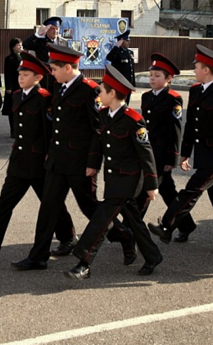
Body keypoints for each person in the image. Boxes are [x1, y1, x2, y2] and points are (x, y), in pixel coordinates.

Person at [12, 44, 135, 271]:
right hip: (58, 161)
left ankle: (124, 236)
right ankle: (38, 256)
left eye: (54, 68)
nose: (51, 73)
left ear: (68, 68)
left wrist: (93, 163)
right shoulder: (60, 87)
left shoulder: (90, 91)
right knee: (48, 208)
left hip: (80, 164)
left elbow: (98, 130)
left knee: (90, 208)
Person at [0, 52, 76, 261]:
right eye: (20, 74)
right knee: (5, 202)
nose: (21, 78)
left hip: (38, 162)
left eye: (26, 74)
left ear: (38, 78)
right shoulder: (17, 95)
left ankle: (68, 237)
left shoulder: (44, 98)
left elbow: (50, 132)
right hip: (19, 161)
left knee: (50, 203)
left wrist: (49, 157)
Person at [65, 65, 164, 280]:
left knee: (100, 220)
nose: (99, 94)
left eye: (102, 91)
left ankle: (84, 263)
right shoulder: (103, 115)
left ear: (112, 93)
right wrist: (92, 164)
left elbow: (146, 154)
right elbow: (97, 141)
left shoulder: (133, 120)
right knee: (134, 221)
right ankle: (152, 255)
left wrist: (151, 185)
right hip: (113, 177)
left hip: (128, 180)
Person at [148, 45, 213, 253]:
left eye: (196, 66)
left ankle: (167, 224)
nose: (194, 69)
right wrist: (185, 153)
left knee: (191, 191)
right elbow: (190, 125)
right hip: (202, 154)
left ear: (206, 69)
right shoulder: (196, 90)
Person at [138, 53, 195, 238]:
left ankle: (132, 229)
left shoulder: (173, 99)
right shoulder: (146, 97)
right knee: (167, 190)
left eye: (157, 76)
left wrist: (172, 157)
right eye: (151, 75)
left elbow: (176, 130)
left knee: (147, 191)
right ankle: (186, 225)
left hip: (162, 154)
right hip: (148, 152)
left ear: (168, 78)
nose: (152, 79)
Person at [23, 16, 65, 92]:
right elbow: (26, 45)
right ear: (47, 29)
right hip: (45, 79)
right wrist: (38, 34)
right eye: (52, 28)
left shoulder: (63, 42)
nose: (55, 31)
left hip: (59, 79)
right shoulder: (40, 41)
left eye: (57, 28)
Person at [105, 29, 135, 104]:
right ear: (122, 41)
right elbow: (109, 57)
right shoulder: (117, 52)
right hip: (120, 84)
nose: (129, 42)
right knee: (119, 104)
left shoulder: (130, 52)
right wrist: (116, 47)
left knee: (126, 104)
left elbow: (131, 70)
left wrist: (133, 84)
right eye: (127, 40)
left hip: (128, 84)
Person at [2, 38, 23, 138]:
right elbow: (8, 74)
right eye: (18, 45)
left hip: (21, 86)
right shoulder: (9, 58)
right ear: (13, 47)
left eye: (21, 45)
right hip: (14, 87)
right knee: (12, 110)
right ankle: (13, 130)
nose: (20, 47)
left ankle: (20, 129)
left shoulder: (23, 57)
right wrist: (8, 87)